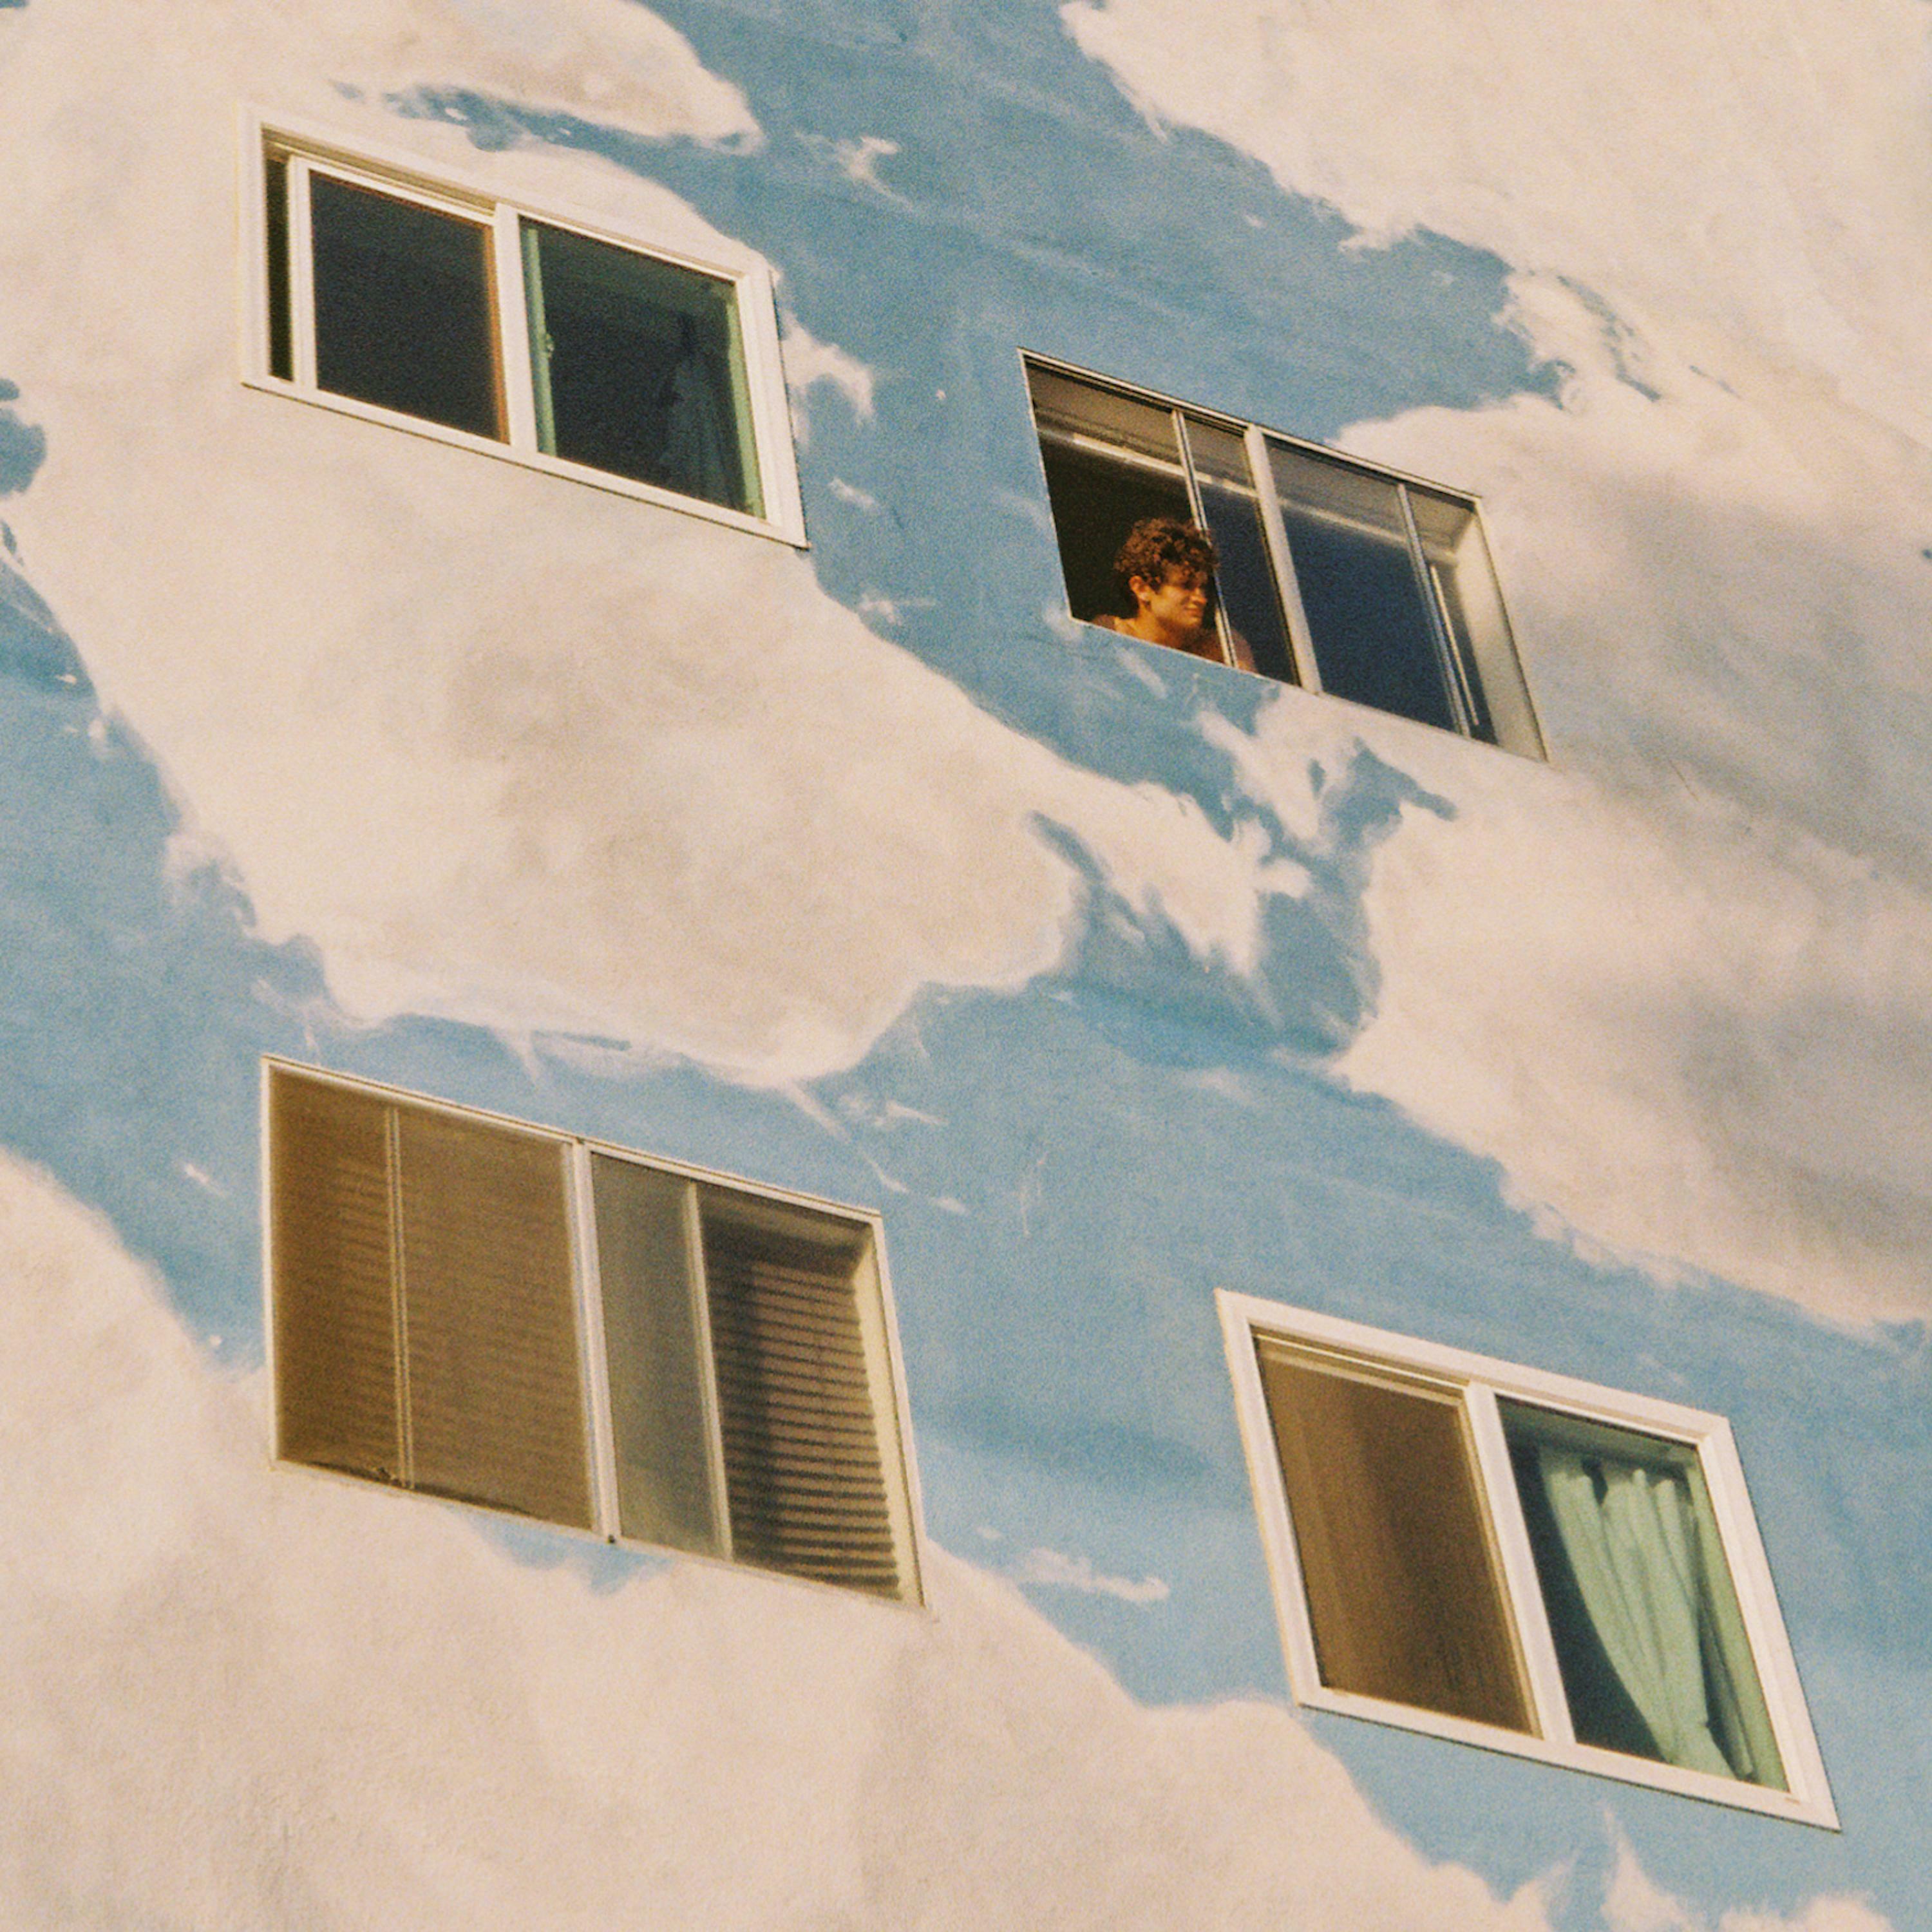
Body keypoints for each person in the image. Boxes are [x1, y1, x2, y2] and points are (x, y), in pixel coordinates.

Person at [1090, 516, 1249, 668]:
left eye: (1202, 588)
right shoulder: (1112, 633)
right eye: (1185, 585)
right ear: (1142, 589)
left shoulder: (1222, 647)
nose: (1201, 599)